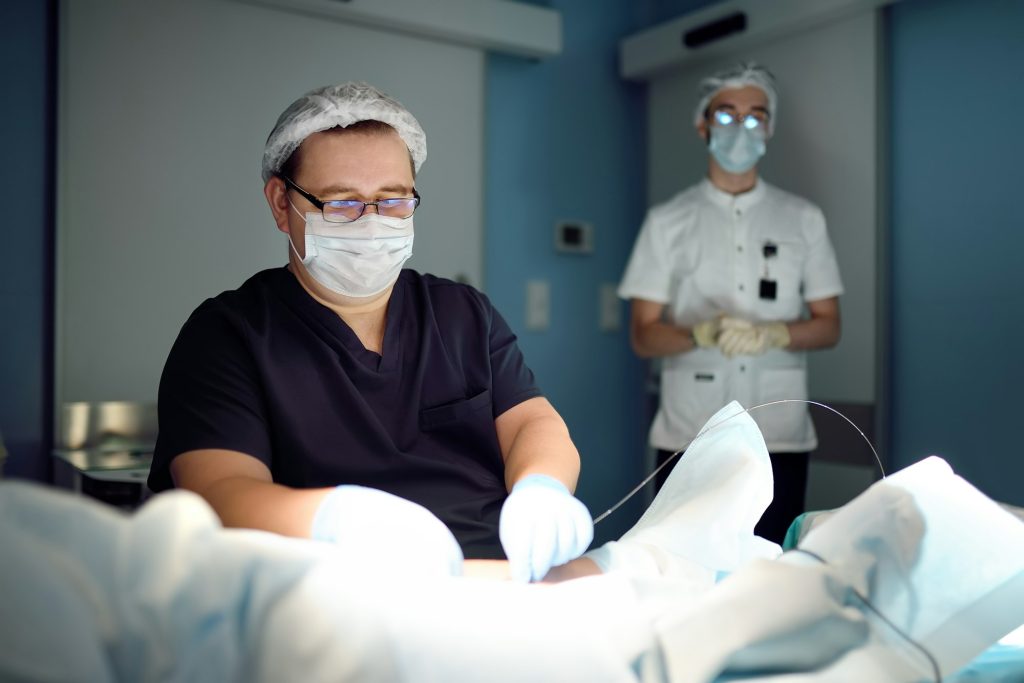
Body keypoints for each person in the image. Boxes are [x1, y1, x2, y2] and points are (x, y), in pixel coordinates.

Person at [146, 82, 592, 583]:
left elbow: (533, 422)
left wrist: (542, 489)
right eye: (342, 204)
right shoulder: (230, 336)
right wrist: (335, 521)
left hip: (505, 577)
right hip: (337, 594)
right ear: (280, 203)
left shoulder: (462, 313)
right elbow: (221, 491)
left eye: (393, 201)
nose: (372, 224)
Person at [617, 62, 844, 544]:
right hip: (690, 433)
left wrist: (775, 333)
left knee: (773, 563)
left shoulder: (802, 219)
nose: (740, 128)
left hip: (779, 431)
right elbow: (642, 334)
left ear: (769, 128)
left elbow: (829, 326)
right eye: (725, 116)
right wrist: (697, 333)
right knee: (681, 560)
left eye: (754, 116)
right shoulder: (668, 222)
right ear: (702, 125)